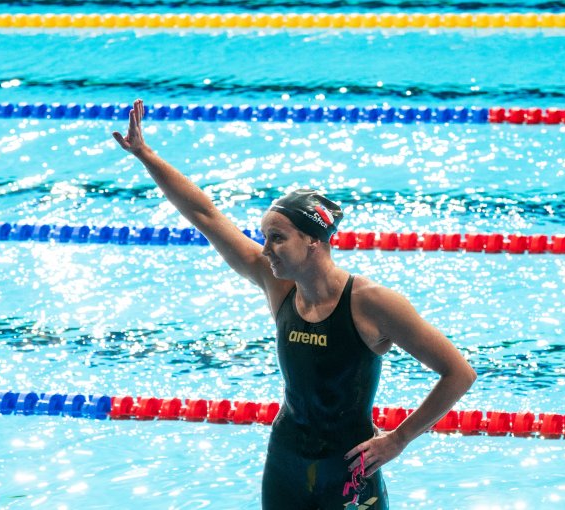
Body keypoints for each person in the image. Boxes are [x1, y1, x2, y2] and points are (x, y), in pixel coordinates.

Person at [113, 99, 477, 510]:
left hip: (350, 465)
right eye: (265, 237)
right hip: (286, 458)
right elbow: (207, 215)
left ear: (314, 241)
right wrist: (146, 157)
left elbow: (459, 373)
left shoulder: (372, 303)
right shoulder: (278, 285)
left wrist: (398, 439)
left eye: (277, 238)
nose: (265, 249)